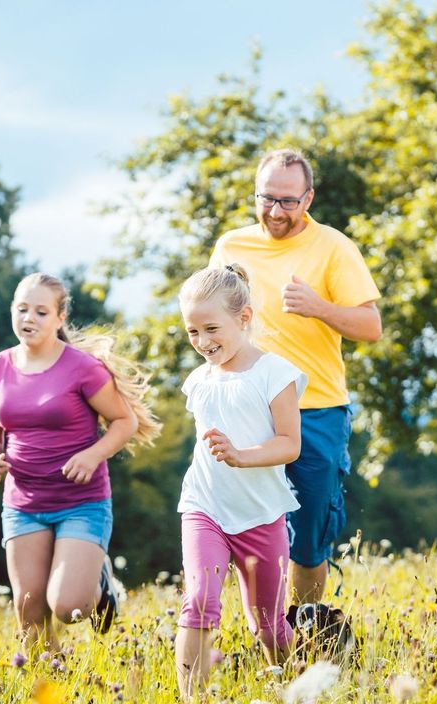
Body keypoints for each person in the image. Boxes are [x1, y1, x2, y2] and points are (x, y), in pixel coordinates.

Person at [210, 148, 381, 604]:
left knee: (307, 538)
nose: (275, 211)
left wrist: (319, 308)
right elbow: (210, 318)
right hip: (249, 406)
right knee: (248, 526)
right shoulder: (231, 247)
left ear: (308, 199)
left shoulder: (334, 247)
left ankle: (307, 625)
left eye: (287, 201)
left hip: (316, 409)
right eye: (266, 198)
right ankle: (266, 632)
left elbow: (371, 327)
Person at [0, 272, 161, 650]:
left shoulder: (82, 368)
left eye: (41, 312)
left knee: (69, 607)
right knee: (29, 612)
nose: (29, 318)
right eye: (22, 309)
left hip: (81, 503)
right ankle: (52, 686)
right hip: (23, 504)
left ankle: (100, 581)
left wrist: (93, 454)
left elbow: (125, 421)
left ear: (60, 319)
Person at [174, 264, 306, 699]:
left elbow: (289, 444)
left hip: (261, 514)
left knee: (268, 626)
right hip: (204, 507)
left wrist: (241, 455)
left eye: (211, 328)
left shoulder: (274, 372)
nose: (202, 341)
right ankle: (191, 697)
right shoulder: (198, 381)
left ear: (244, 318)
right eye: (192, 331)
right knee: (199, 602)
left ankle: (294, 688)